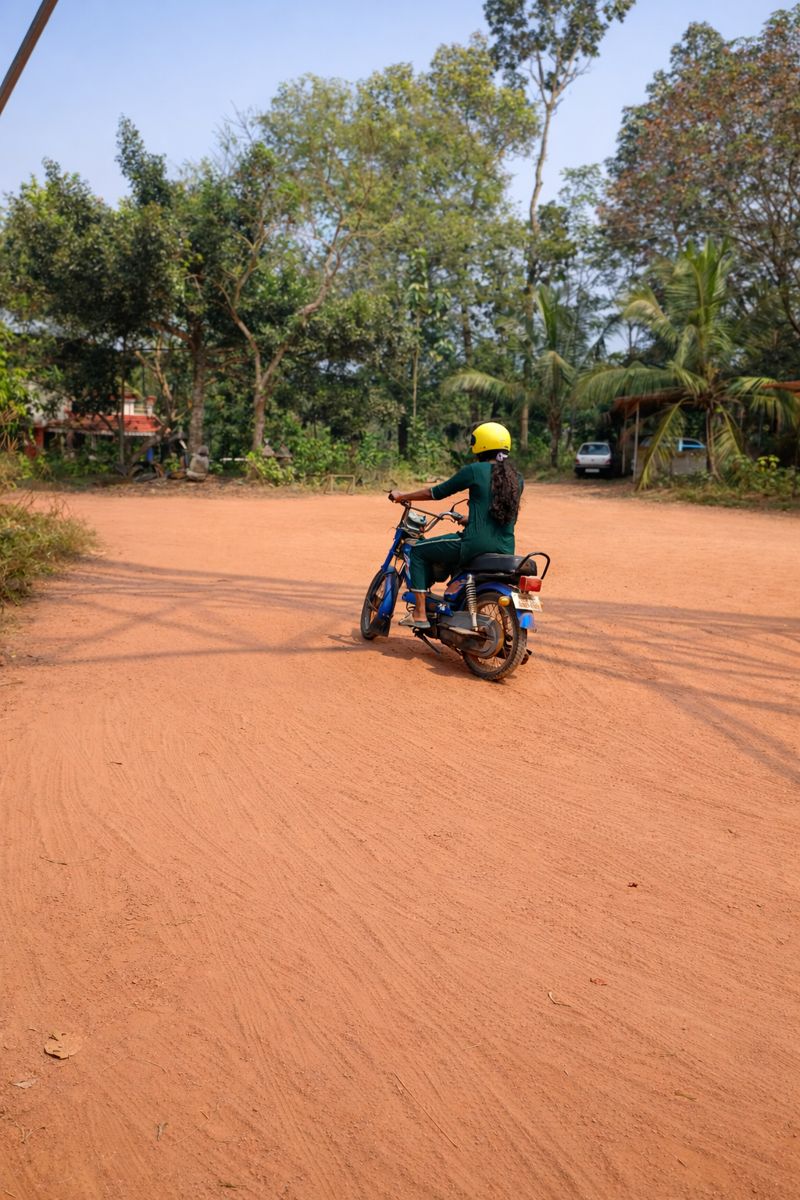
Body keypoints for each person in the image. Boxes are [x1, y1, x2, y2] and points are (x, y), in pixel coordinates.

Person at [388, 421, 523, 629]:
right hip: (504, 548)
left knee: (417, 552)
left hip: (474, 544)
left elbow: (435, 493)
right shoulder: (516, 478)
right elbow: (499, 513)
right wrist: (469, 519)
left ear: (480, 445)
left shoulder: (475, 470)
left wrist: (402, 496)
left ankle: (420, 613)